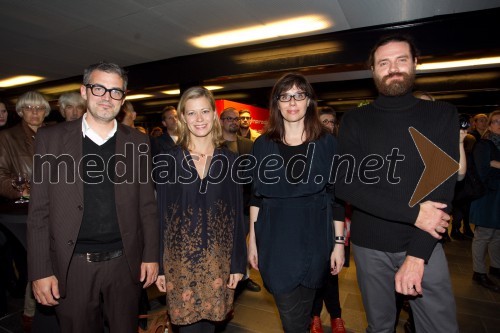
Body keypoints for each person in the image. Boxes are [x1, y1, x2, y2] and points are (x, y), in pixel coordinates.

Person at [335, 34, 459, 332]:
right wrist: (415, 213)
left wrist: (417, 256)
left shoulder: (441, 114)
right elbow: (345, 185)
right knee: (379, 327)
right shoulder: (355, 120)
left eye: (401, 60)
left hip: (424, 245)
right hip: (369, 246)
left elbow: (442, 190)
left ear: (415, 63)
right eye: (384, 63)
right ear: (373, 70)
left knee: (440, 328)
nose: (393, 68)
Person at [27, 62, 159, 333]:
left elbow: (147, 206)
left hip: (124, 264)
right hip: (73, 265)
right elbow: (39, 210)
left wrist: (151, 255)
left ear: (123, 99)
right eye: (99, 88)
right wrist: (40, 271)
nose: (107, 98)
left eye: (115, 91)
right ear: (84, 92)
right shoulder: (50, 139)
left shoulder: (138, 142)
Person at [248, 73, 345, 333]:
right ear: (277, 103)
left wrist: (338, 245)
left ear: (309, 101)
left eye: (299, 95)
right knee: (292, 319)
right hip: (276, 242)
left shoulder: (327, 143)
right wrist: (252, 241)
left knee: (303, 315)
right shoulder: (262, 146)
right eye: (285, 96)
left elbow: (336, 198)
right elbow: (256, 198)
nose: (292, 101)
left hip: (316, 240)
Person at [155, 86, 246, 333]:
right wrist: (160, 266)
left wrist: (238, 263)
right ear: (183, 117)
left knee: (211, 327)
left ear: (214, 115)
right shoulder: (167, 160)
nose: (199, 119)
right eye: (192, 113)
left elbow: (237, 216)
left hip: (218, 261)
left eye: (205, 111)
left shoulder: (230, 161)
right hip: (180, 263)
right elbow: (161, 216)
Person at [0, 91, 51, 332]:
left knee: (47, 261)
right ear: (20, 111)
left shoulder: (55, 134)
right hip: (22, 213)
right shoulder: (7, 137)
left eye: (39, 108)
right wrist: (22, 190)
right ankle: (32, 316)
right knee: (40, 260)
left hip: (53, 208)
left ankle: (38, 314)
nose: (34, 112)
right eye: (28, 108)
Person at [310, 105, 346, 333]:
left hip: (338, 217)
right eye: (324, 121)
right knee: (315, 270)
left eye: (332, 122)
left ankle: (336, 316)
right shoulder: (309, 150)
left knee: (332, 271)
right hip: (314, 220)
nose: (328, 126)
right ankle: (314, 316)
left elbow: (341, 193)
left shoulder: (342, 151)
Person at [219, 107, 261, 293]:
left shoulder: (248, 145)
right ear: (221, 121)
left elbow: (254, 175)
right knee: (224, 244)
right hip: (220, 206)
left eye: (236, 119)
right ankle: (224, 279)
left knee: (243, 244)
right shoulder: (214, 145)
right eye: (229, 118)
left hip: (244, 203)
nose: (234, 122)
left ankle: (244, 278)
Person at [470, 110, 500, 292]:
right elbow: (482, 171)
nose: (499, 125)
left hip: (496, 196)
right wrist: (494, 165)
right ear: (489, 125)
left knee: (498, 234)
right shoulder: (484, 144)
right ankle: (478, 272)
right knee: (484, 235)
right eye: (496, 121)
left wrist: (494, 163)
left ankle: (496, 267)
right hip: (487, 197)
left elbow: (491, 165)